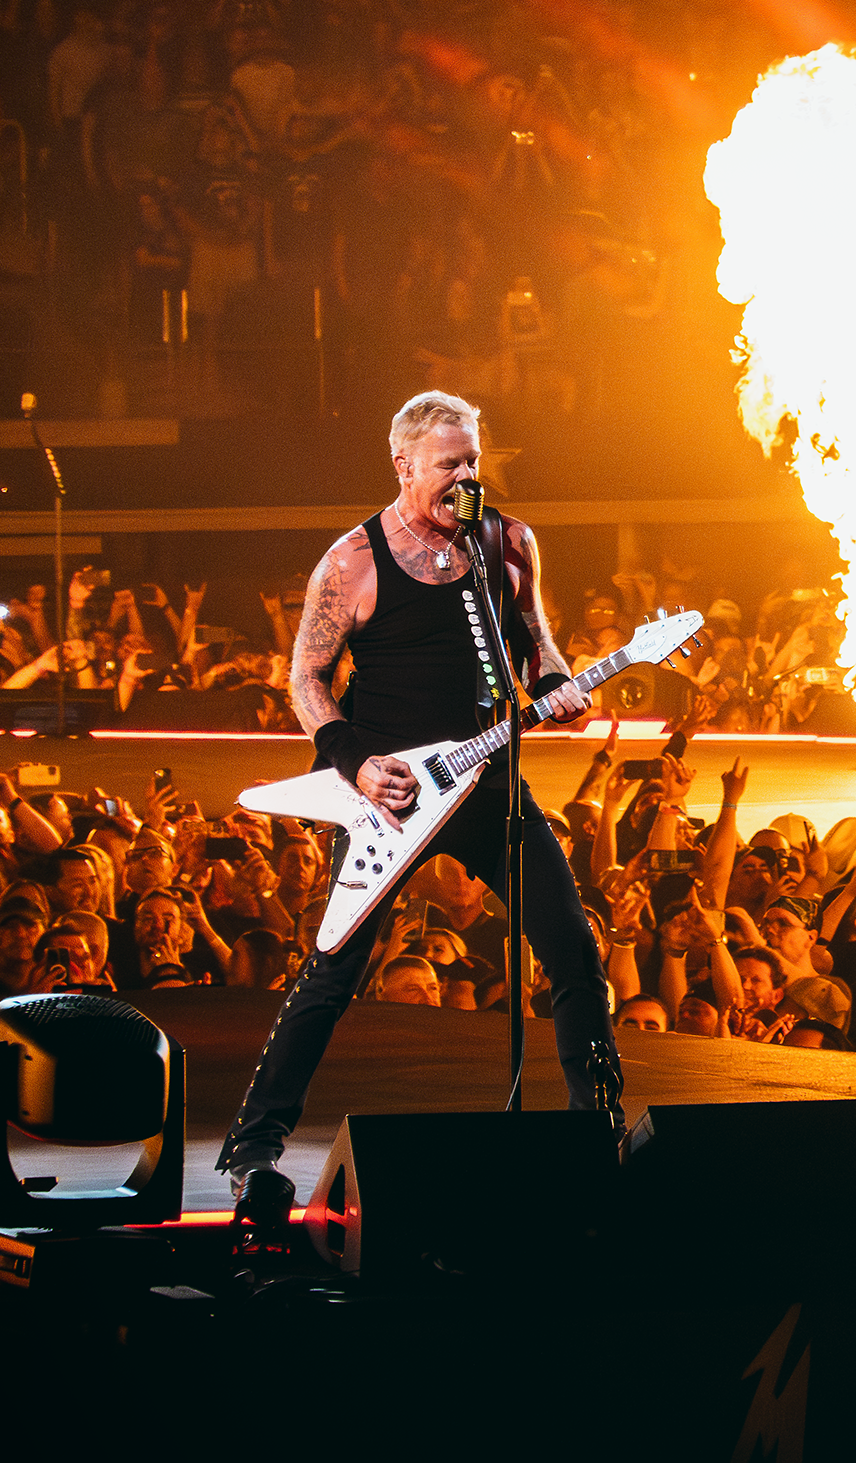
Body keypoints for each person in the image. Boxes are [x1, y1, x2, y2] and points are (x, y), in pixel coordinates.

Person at [219, 391, 616, 1243]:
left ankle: (599, 1130)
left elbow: (536, 647)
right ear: (404, 465)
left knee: (575, 951)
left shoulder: (505, 542)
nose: (466, 477)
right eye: (449, 464)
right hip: (391, 795)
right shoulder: (352, 563)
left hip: (489, 782)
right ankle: (253, 1147)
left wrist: (561, 688)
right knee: (333, 972)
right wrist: (357, 764)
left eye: (473, 461)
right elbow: (305, 680)